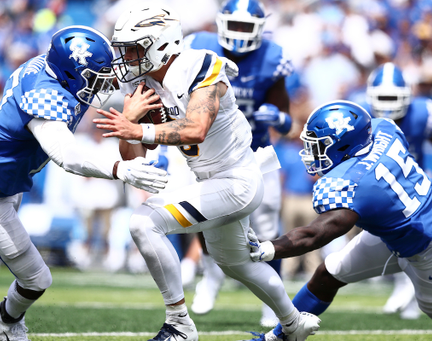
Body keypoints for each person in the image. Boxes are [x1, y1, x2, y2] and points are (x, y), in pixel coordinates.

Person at [94, 4, 320, 341]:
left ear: (161, 45)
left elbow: (196, 128)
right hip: (210, 180)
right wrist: (130, 123)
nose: (126, 58)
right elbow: (136, 156)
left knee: (143, 222)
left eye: (134, 49)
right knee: (238, 265)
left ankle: (179, 324)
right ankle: (293, 324)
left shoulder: (200, 65)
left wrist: (137, 130)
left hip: (237, 179)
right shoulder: (143, 84)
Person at [0, 25, 168, 341]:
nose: (101, 83)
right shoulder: (45, 96)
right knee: (36, 279)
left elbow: (90, 76)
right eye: (94, 76)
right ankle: (7, 321)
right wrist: (122, 170)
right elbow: (69, 157)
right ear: (71, 71)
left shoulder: (51, 66)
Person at [245, 100, 432, 340]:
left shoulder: (354, 183)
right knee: (329, 273)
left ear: (344, 145)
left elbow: (315, 234)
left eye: (319, 146)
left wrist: (268, 248)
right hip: (396, 231)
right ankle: (279, 337)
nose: (311, 153)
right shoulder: (383, 130)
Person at [182, 0, 293, 326]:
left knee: (267, 227)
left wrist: (278, 117)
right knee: (203, 218)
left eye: (246, 27)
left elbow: (287, 123)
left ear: (260, 29)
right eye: (235, 25)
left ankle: (273, 300)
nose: (239, 34)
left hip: (256, 153)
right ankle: (211, 278)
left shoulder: (273, 58)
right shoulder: (198, 47)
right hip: (210, 153)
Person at [361, 62, 432, 319]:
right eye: (384, 98)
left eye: (394, 97)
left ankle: (415, 293)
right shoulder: (359, 114)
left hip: (416, 189)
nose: (390, 104)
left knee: (420, 244)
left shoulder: (424, 113)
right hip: (379, 189)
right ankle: (404, 287)